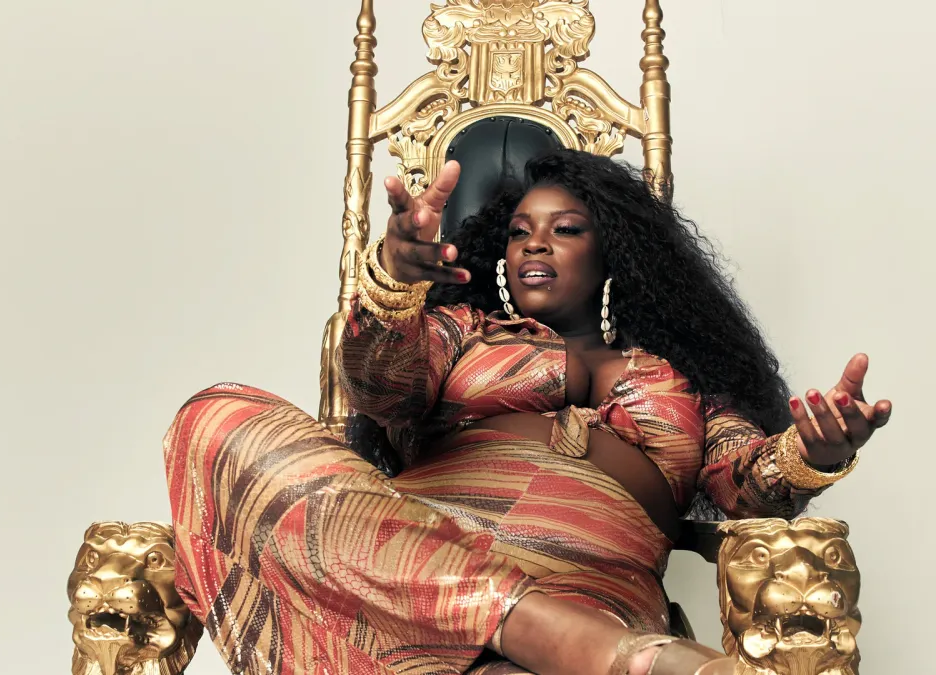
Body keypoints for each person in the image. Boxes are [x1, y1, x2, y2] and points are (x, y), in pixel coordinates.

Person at [162, 149, 891, 675]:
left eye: (565, 228)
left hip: (591, 584)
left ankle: (545, 637)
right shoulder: (458, 332)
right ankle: (573, 641)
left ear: (613, 253)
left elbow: (748, 484)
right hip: (409, 570)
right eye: (518, 231)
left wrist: (815, 450)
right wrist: (395, 282)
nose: (534, 242)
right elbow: (379, 384)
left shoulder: (681, 381)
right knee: (214, 418)